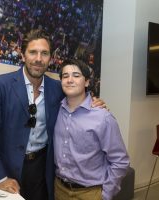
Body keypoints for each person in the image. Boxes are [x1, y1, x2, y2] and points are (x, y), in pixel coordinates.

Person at [0, 29, 105, 200]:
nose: (38, 59)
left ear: (50, 58)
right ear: (23, 55)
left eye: (44, 53)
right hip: (7, 166)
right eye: (33, 52)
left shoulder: (58, 88)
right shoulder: (0, 85)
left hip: (42, 167)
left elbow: (78, 99)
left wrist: (94, 103)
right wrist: (0, 177)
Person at [54, 59, 130, 200]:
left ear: (87, 82)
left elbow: (120, 161)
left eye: (76, 75)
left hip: (90, 193)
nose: (70, 80)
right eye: (65, 76)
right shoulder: (56, 110)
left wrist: (105, 195)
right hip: (59, 190)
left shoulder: (103, 117)